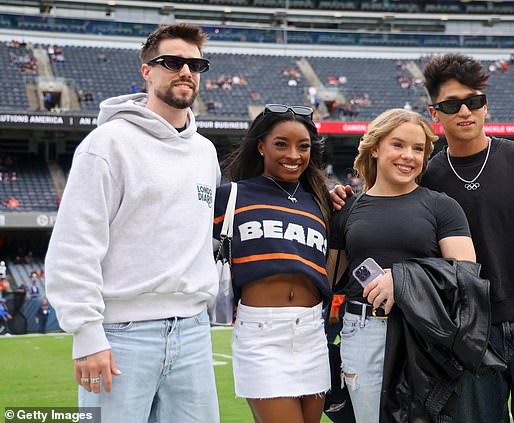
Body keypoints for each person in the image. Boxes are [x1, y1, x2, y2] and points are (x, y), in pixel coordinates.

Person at [331, 53, 514, 422]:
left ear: (486, 106)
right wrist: (344, 197)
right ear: (435, 114)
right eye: (452, 104)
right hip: (463, 329)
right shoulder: (424, 177)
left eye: (474, 101)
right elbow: (387, 212)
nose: (465, 111)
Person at [44, 23, 221, 422]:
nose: (186, 72)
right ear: (146, 71)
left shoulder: (205, 152)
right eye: (172, 62)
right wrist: (87, 335)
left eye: (196, 64)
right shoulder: (107, 144)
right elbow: (75, 245)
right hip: (123, 334)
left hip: (193, 331)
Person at [328, 108, 476, 423]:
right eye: (398, 145)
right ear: (375, 147)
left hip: (426, 334)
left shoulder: (442, 206)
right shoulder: (347, 209)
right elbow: (328, 279)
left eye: (418, 149)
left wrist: (403, 280)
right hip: (364, 331)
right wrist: (321, 208)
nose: (408, 156)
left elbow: (467, 275)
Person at [214, 104, 331, 423]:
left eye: (303, 146)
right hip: (261, 334)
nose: (293, 154)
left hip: (311, 332)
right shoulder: (230, 197)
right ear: (261, 146)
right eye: (281, 144)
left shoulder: (320, 201)